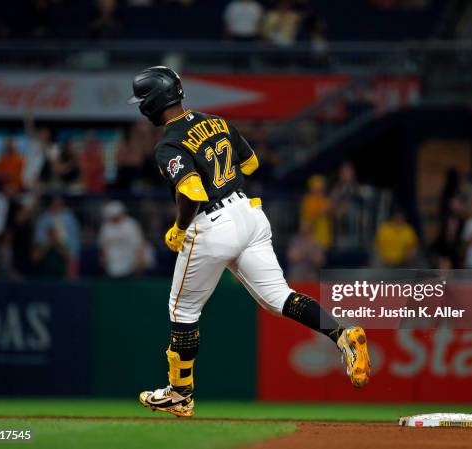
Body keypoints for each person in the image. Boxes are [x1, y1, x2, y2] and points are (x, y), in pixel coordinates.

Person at [127, 66, 369, 417]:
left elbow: (192, 190)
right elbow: (251, 163)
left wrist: (180, 228)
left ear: (152, 103)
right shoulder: (217, 121)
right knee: (279, 297)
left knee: (183, 310)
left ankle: (180, 393)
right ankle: (342, 333)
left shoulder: (169, 142)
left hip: (211, 223)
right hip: (249, 214)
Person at [98, 201, 147, 278]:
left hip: (130, 266)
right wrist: (105, 262)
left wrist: (139, 263)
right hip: (112, 267)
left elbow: (139, 245)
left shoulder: (131, 225)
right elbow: (104, 246)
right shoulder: (106, 227)